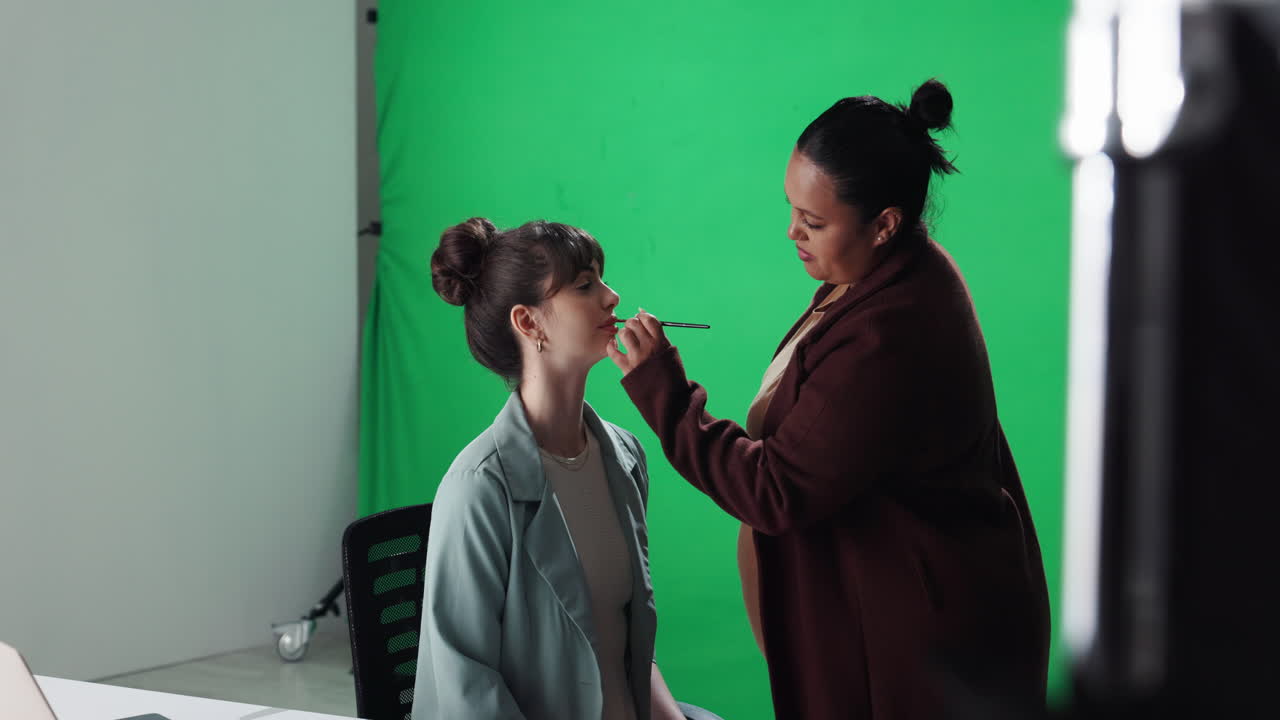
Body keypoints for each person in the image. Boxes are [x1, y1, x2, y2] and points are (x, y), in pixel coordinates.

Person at [609, 79, 1052, 718]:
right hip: (908, 618)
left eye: (813, 222)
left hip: (920, 656)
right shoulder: (884, 272)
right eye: (792, 210)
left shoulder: (893, 330)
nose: (793, 232)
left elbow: (774, 490)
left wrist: (663, 391)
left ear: (884, 225)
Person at [412, 218, 688, 720]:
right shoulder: (479, 486)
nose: (612, 297)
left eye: (601, 280)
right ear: (529, 322)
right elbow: (465, 688)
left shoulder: (624, 457)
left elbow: (627, 649)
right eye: (585, 285)